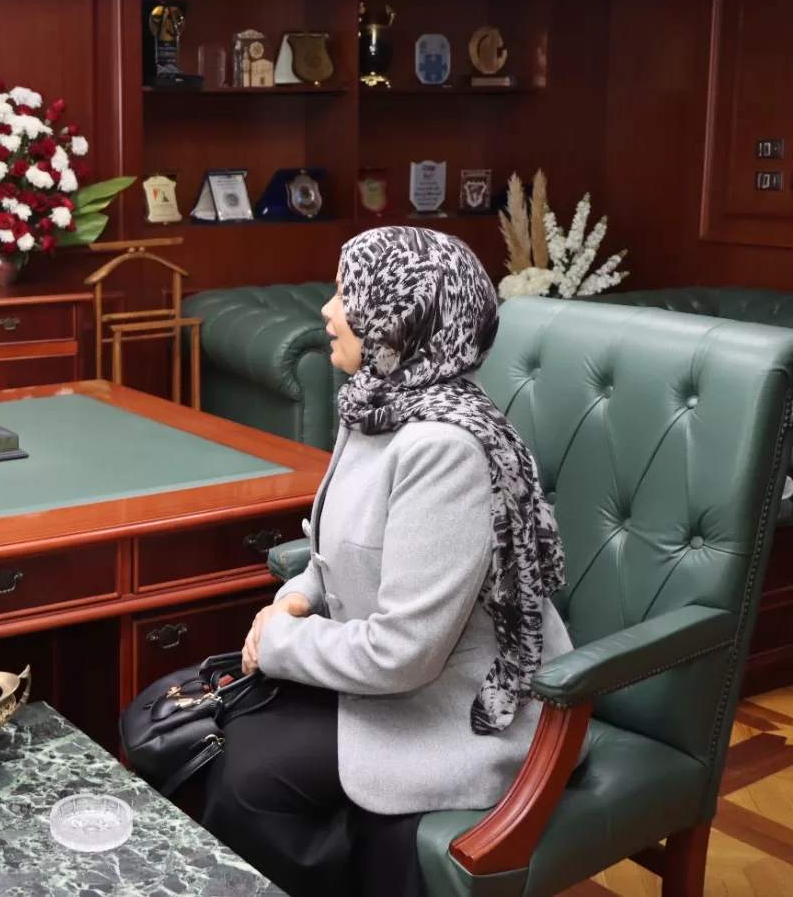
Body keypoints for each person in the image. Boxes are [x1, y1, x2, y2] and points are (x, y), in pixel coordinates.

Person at [201, 226, 574, 897]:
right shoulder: (375, 405)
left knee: (248, 775)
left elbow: (406, 654)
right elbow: (336, 550)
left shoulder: (444, 448)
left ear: (400, 319)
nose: (327, 310)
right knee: (212, 731)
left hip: (452, 711)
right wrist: (299, 597)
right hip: (378, 682)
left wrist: (282, 642)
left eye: (346, 294)